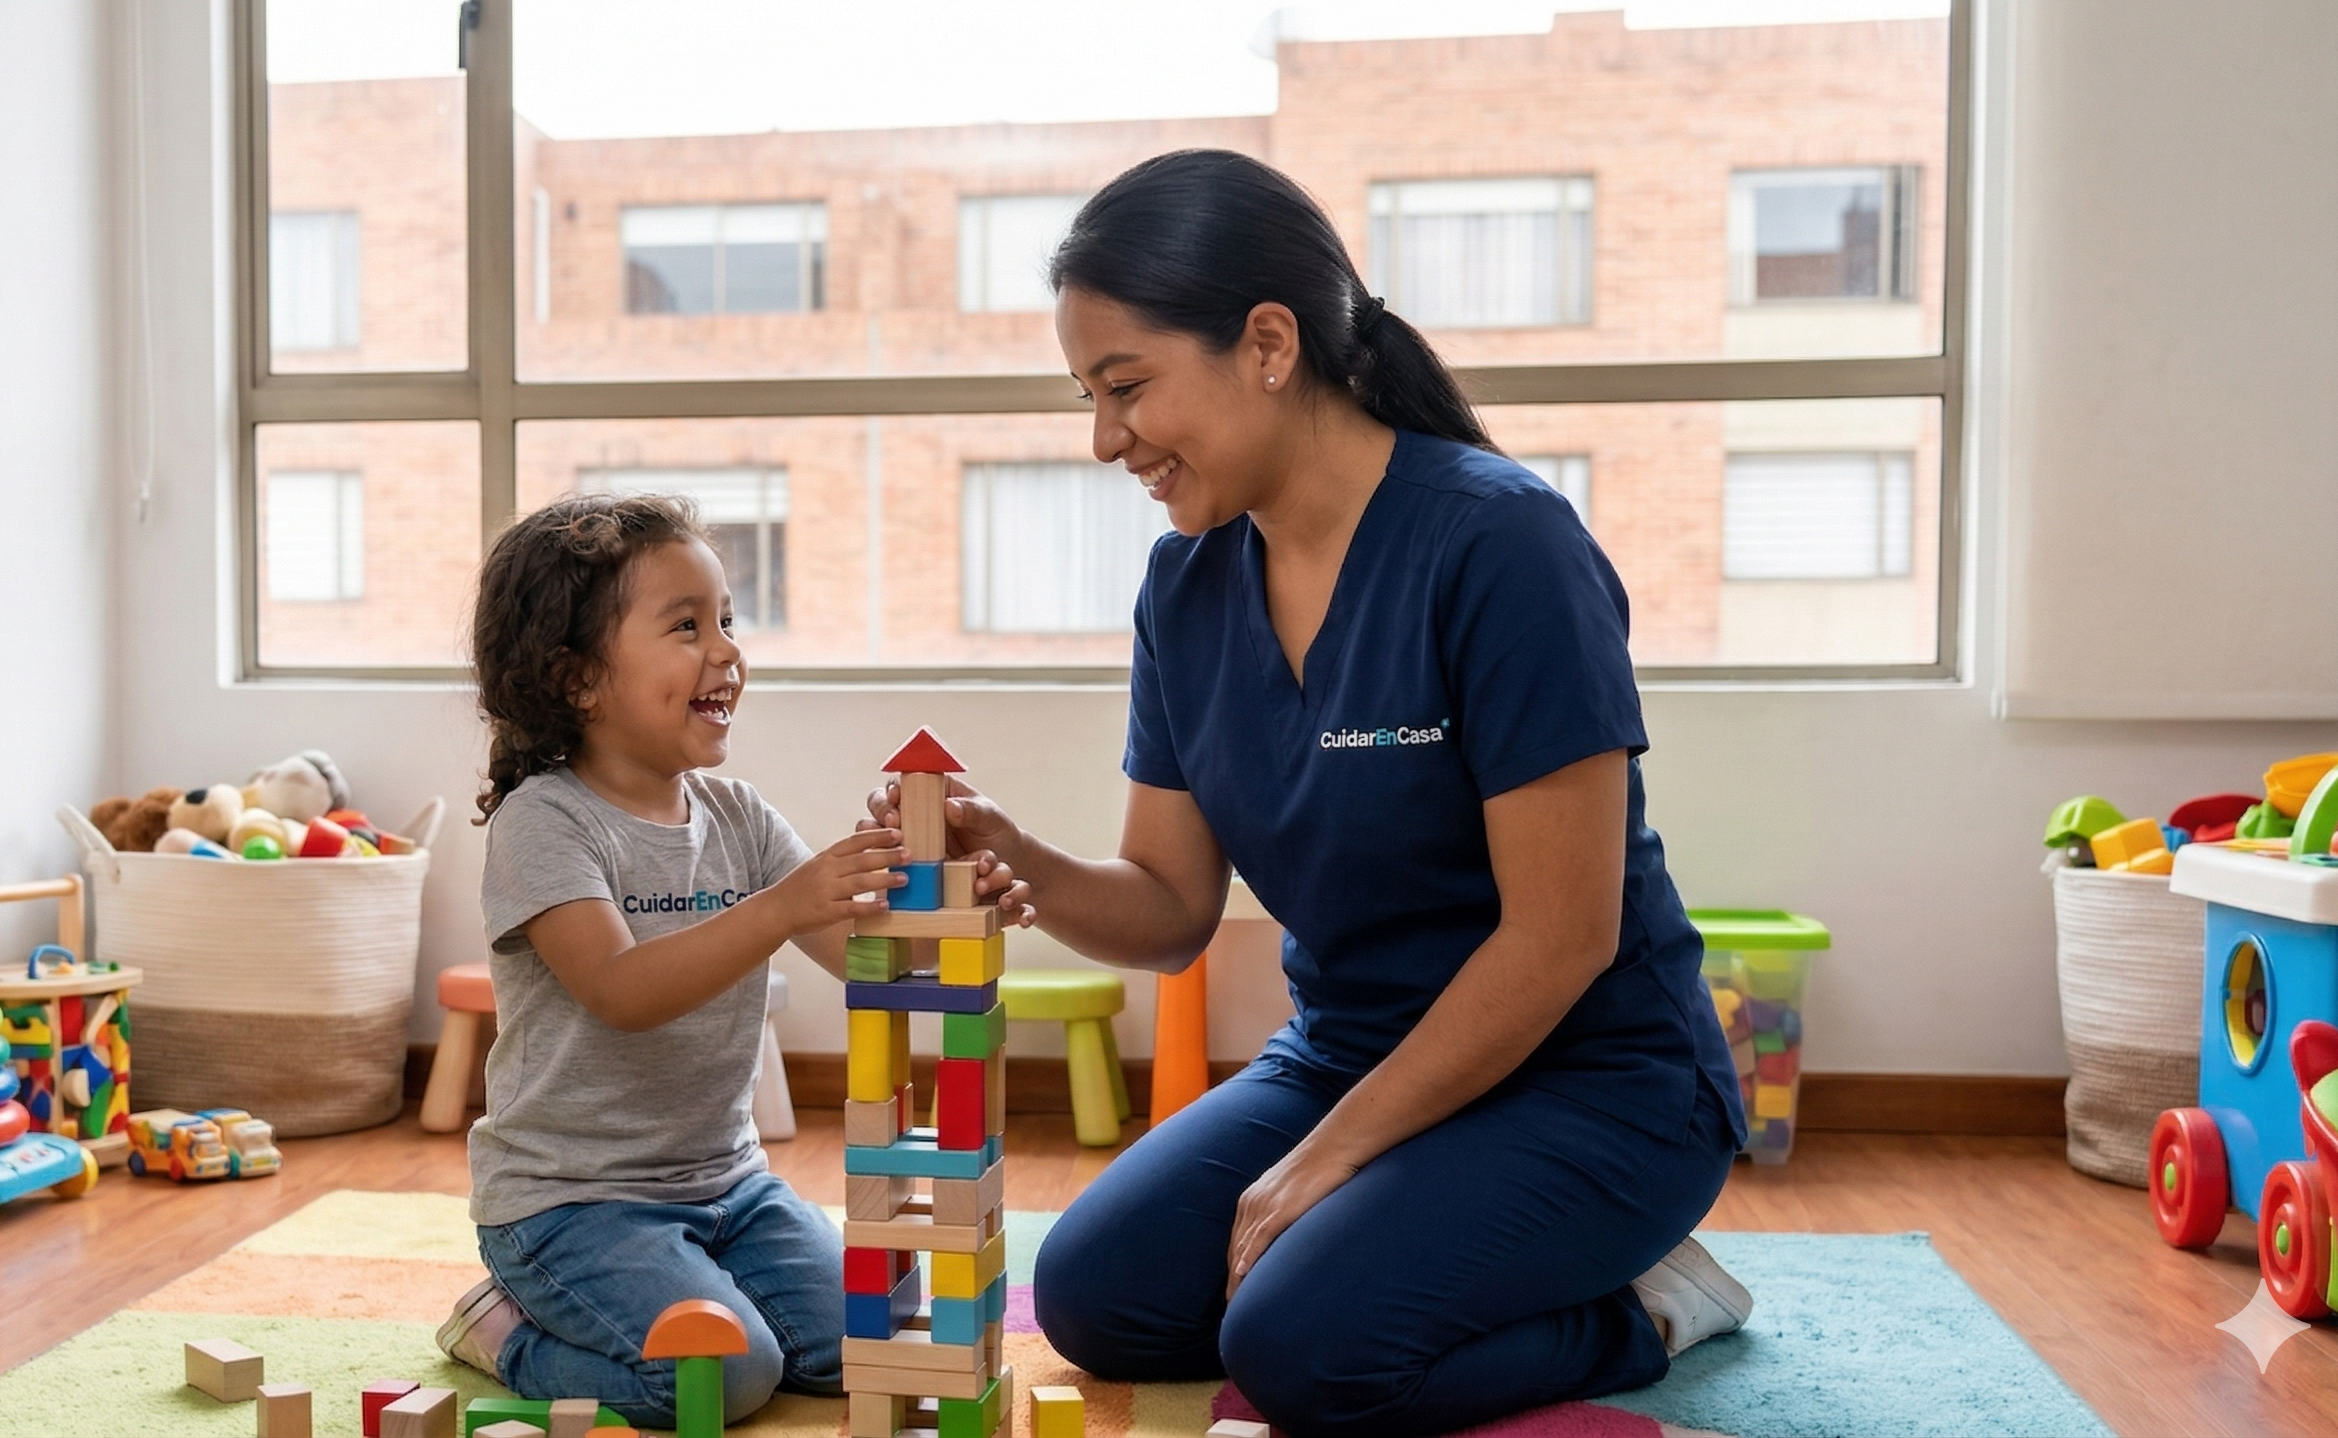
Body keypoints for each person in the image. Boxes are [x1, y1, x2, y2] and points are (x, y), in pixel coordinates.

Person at [870, 150, 1751, 1438]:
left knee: (1304, 1347)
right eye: (1088, 396)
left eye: (1125, 388)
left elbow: (1564, 939)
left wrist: (1320, 1167)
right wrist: (1020, 861)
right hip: (1349, 1054)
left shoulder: (1501, 546)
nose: (1105, 439)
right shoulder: (1187, 590)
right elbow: (1170, 904)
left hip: (1593, 1077)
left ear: (1268, 343)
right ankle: (1417, 1250)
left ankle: (1654, 1305)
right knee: (1094, 1293)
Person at [441, 492, 1029, 1428]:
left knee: (876, 1331)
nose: (725, 650)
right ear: (577, 679)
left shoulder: (739, 816)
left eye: (725, 620)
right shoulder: (543, 824)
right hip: (571, 1206)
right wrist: (783, 904)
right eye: (684, 626)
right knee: (724, 1376)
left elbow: (863, 959)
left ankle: (700, 1283)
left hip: (729, 1186)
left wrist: (955, 901)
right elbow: (622, 993)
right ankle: (504, 1332)